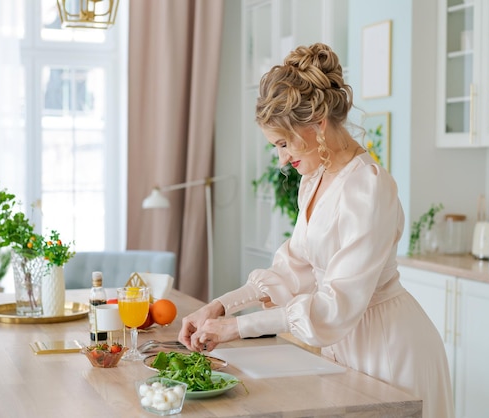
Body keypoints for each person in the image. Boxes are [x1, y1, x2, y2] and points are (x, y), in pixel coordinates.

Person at [178, 43, 454, 418]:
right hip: (344, 347)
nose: (282, 159)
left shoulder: (368, 188)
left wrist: (236, 329)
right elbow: (292, 269)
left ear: (317, 124)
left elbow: (333, 308)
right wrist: (222, 305)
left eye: (283, 143)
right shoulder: (317, 176)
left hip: (389, 350)